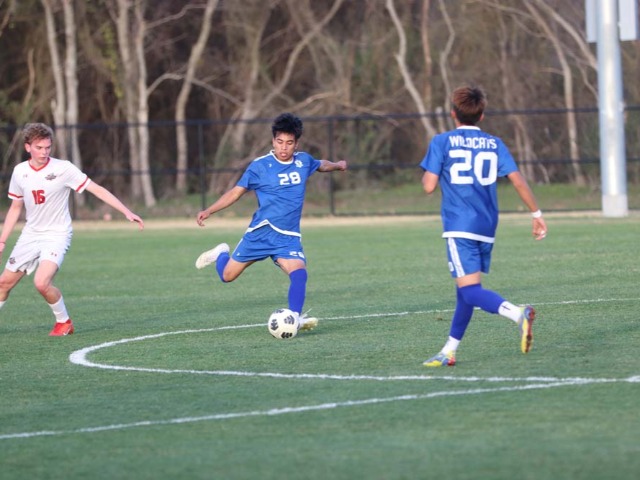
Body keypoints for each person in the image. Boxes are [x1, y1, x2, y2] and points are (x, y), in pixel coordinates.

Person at [419, 85, 547, 367]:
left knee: (469, 290)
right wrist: (536, 213)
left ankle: (518, 314)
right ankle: (449, 350)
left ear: (453, 113)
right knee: (465, 290)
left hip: (459, 224)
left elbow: (428, 186)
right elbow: (517, 180)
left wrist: (432, 171)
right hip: (487, 225)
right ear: (482, 115)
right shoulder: (494, 143)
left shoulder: (442, 141)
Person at [195, 113, 347, 332]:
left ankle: (294, 318)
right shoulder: (260, 166)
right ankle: (221, 253)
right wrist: (210, 210)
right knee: (227, 276)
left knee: (299, 273)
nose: (284, 148)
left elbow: (321, 164)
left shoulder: (303, 161)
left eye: (289, 143)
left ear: (296, 144)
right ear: (273, 141)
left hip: (288, 237)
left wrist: (338, 165)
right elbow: (236, 192)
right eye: (279, 142)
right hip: (261, 232)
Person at [0, 123, 144, 336]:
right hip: (30, 234)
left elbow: (96, 189)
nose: (44, 152)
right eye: (39, 148)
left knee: (41, 282)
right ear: (27, 147)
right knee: (3, 283)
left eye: (48, 147)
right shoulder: (19, 171)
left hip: (57, 235)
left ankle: (63, 322)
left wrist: (126, 211)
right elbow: (15, 207)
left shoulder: (63, 168)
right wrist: (2, 240)